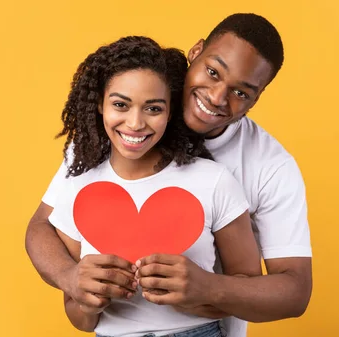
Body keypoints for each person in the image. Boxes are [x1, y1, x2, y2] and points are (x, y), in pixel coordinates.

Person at [26, 13, 313, 337]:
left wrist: (208, 287)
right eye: (213, 71)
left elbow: (295, 289)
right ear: (195, 52)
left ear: (256, 98)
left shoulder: (267, 167)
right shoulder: (111, 134)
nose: (217, 97)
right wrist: (71, 279)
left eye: (241, 93)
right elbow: (42, 227)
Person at [48, 36, 262, 337]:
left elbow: (251, 296)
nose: (135, 123)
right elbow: (79, 319)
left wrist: (198, 294)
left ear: (170, 110)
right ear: (100, 104)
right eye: (121, 104)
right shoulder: (78, 188)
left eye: (153, 109)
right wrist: (90, 301)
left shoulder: (214, 181)